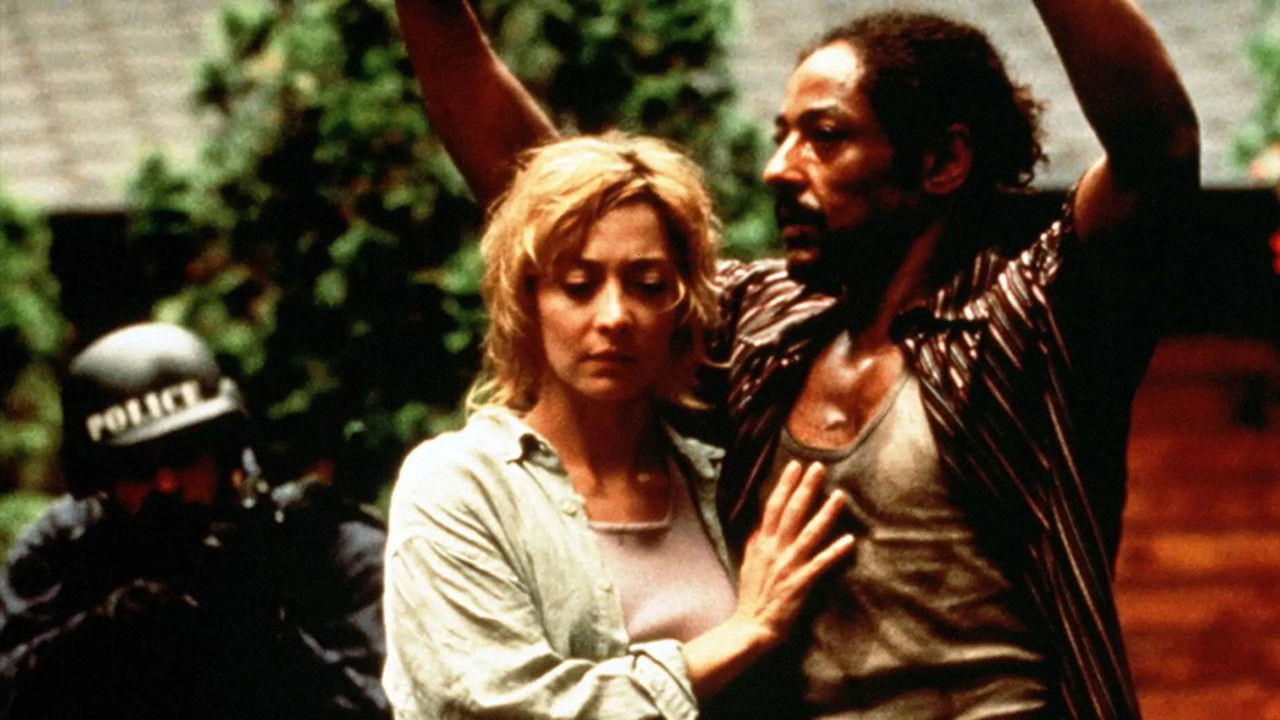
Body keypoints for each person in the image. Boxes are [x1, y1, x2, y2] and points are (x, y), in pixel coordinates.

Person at [394, 1, 1200, 718]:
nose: (779, 167)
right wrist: (432, 15)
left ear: (940, 163)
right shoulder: (767, 332)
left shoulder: (1028, 324)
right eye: (783, 134)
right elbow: (563, 204)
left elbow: (1156, 148)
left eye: (825, 136)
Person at [382, 132, 855, 719]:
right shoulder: (459, 485)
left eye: (648, 285)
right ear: (527, 300)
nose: (614, 317)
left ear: (682, 305)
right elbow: (493, 705)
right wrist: (744, 631)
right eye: (578, 286)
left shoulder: (716, 479)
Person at [0, 322, 391, 720]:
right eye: (138, 467)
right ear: (102, 478)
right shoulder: (65, 550)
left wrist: (264, 633)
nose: (166, 484)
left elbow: (383, 707)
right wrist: (107, 631)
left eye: (183, 455)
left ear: (223, 451)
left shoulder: (318, 543)